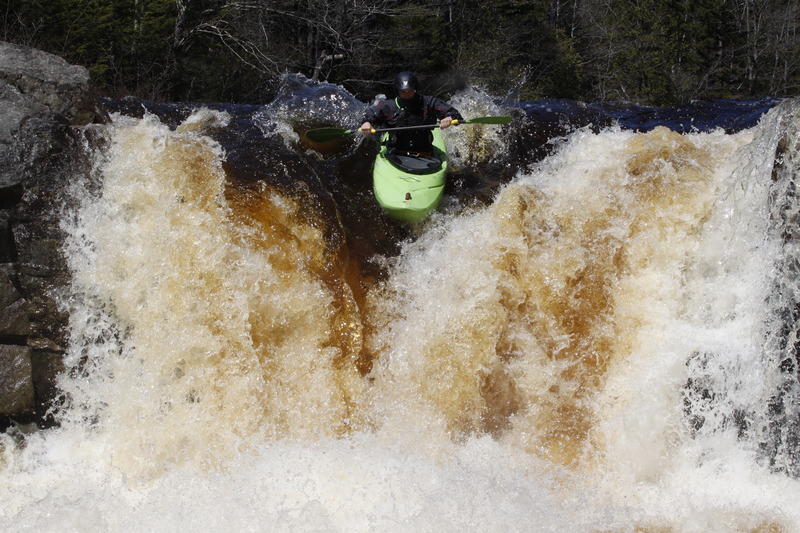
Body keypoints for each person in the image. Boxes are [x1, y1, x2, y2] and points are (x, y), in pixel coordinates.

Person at [359, 71, 463, 156]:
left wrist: (449, 118)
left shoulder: (429, 102)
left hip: (424, 151)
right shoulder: (388, 106)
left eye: (410, 91)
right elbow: (368, 115)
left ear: (416, 90)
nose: (407, 95)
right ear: (397, 91)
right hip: (395, 151)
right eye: (403, 92)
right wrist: (366, 123)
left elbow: (455, 114)